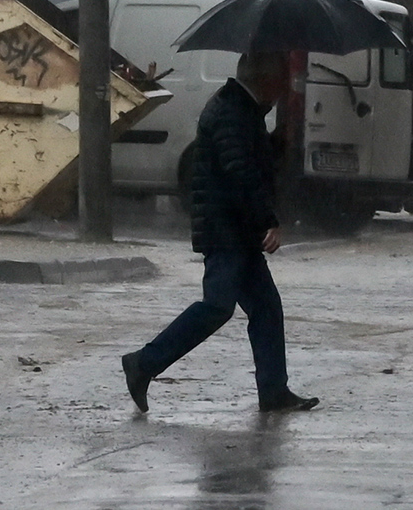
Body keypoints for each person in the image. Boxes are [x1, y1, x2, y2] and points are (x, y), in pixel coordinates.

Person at [122, 50, 319, 413]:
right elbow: (240, 173)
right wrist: (268, 220)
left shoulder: (244, 110)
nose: (282, 89)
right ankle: (143, 364)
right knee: (217, 306)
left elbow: (253, 162)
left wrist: (279, 140)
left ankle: (274, 391)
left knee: (266, 308)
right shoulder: (231, 112)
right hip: (226, 230)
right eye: (280, 81)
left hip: (236, 230)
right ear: (264, 79)